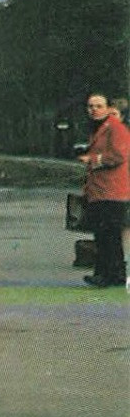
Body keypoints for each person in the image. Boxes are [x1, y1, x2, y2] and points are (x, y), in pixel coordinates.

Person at [79, 92, 129, 288]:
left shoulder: (115, 128)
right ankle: (113, 274)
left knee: (107, 234)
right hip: (101, 190)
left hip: (111, 190)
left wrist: (92, 160)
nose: (94, 110)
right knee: (107, 234)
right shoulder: (101, 128)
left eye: (98, 106)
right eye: (91, 106)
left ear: (108, 108)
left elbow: (119, 155)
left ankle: (106, 275)